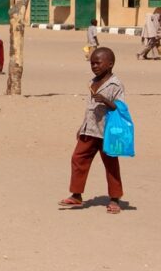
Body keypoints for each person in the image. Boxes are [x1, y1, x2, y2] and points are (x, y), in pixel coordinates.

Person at [58, 47, 125, 215]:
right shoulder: (92, 81)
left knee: (110, 164)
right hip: (90, 130)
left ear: (110, 64)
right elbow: (90, 108)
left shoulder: (116, 84)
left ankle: (115, 198)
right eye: (92, 63)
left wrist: (105, 100)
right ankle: (76, 195)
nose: (94, 66)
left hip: (107, 131)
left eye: (98, 63)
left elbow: (120, 107)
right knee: (78, 158)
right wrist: (82, 126)